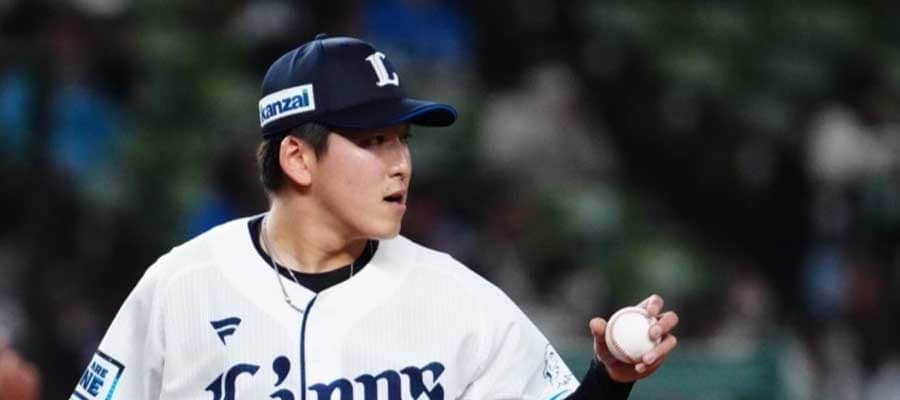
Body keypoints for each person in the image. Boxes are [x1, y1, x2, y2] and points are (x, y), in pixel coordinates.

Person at [70, 34, 678, 400]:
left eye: (402, 140)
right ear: (298, 157)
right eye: (373, 141)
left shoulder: (456, 297)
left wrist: (609, 379)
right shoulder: (179, 288)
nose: (400, 165)